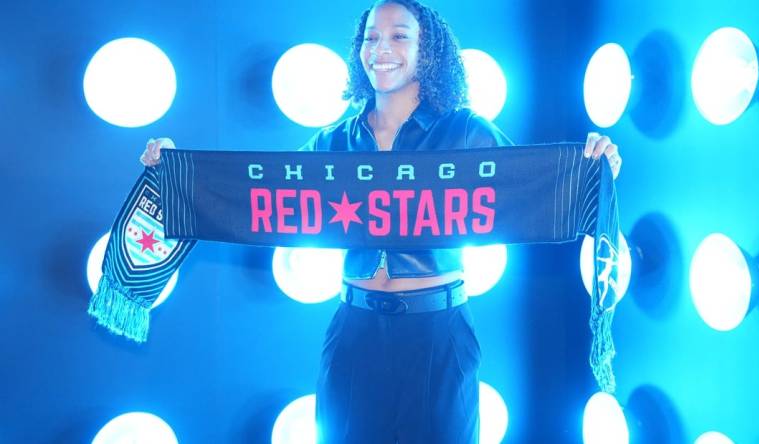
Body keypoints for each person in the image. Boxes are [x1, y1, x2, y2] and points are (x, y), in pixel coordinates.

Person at [140, 1, 623, 442]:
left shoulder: (466, 130)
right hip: (355, 330)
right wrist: (181, 172)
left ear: (426, 51)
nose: (381, 48)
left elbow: (531, 186)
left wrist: (593, 166)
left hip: (440, 332)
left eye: (399, 36)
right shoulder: (332, 141)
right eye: (371, 37)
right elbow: (259, 191)